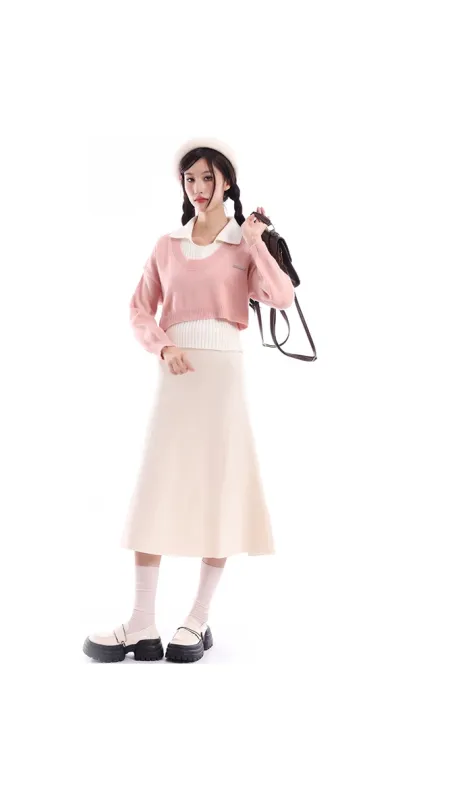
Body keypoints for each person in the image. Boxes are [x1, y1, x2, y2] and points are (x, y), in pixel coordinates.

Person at [82, 138, 295, 663]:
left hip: (223, 376)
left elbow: (281, 296)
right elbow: (139, 308)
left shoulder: (242, 244)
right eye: (189, 179)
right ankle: (142, 621)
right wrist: (163, 346)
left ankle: (197, 618)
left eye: (206, 177)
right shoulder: (167, 245)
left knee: (219, 487)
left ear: (227, 181)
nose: (197, 188)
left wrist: (256, 244)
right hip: (177, 375)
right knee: (156, 486)